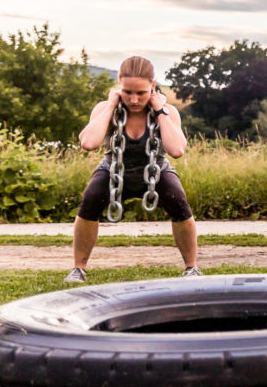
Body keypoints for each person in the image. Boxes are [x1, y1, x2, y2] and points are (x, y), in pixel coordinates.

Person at [65, 55, 199, 283]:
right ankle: (78, 269)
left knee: (178, 199)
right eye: (127, 92)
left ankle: (191, 267)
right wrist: (110, 105)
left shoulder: (167, 111)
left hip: (155, 171)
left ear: (153, 86)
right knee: (91, 197)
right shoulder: (106, 109)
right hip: (114, 170)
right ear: (119, 87)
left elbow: (177, 150)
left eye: (141, 93)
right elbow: (88, 143)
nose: (134, 100)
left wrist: (160, 111)